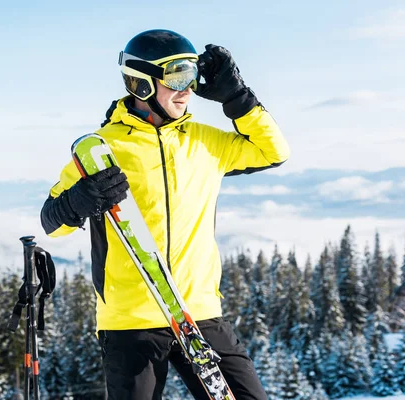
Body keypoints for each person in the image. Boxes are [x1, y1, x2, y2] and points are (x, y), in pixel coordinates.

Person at [40, 29, 289, 400]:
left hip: (199, 313)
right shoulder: (104, 148)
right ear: (140, 83)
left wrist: (237, 98)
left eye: (192, 77)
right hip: (131, 322)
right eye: (176, 78)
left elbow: (273, 151)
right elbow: (51, 223)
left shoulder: (207, 142)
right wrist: (80, 199)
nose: (187, 89)